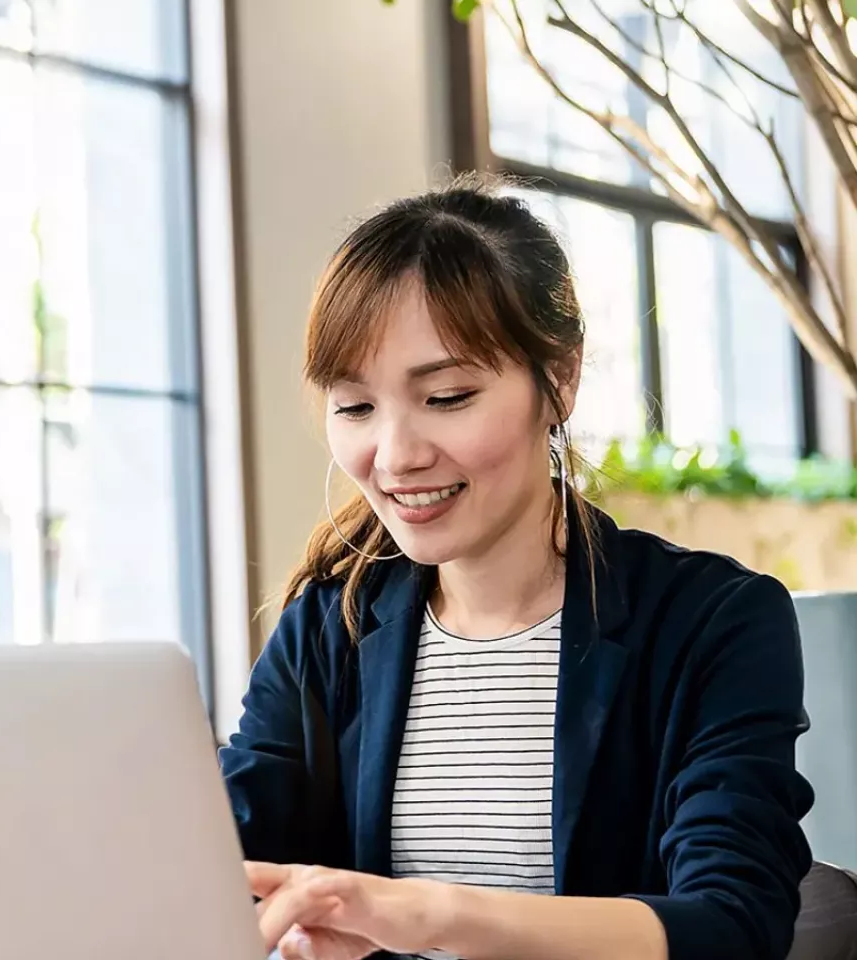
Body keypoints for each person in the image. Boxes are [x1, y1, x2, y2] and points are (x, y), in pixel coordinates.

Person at [218, 176, 814, 960]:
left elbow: (731, 924)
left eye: (448, 395)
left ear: (557, 380)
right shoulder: (330, 627)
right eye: (355, 406)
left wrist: (430, 916)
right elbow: (217, 859)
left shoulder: (713, 621)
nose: (395, 456)